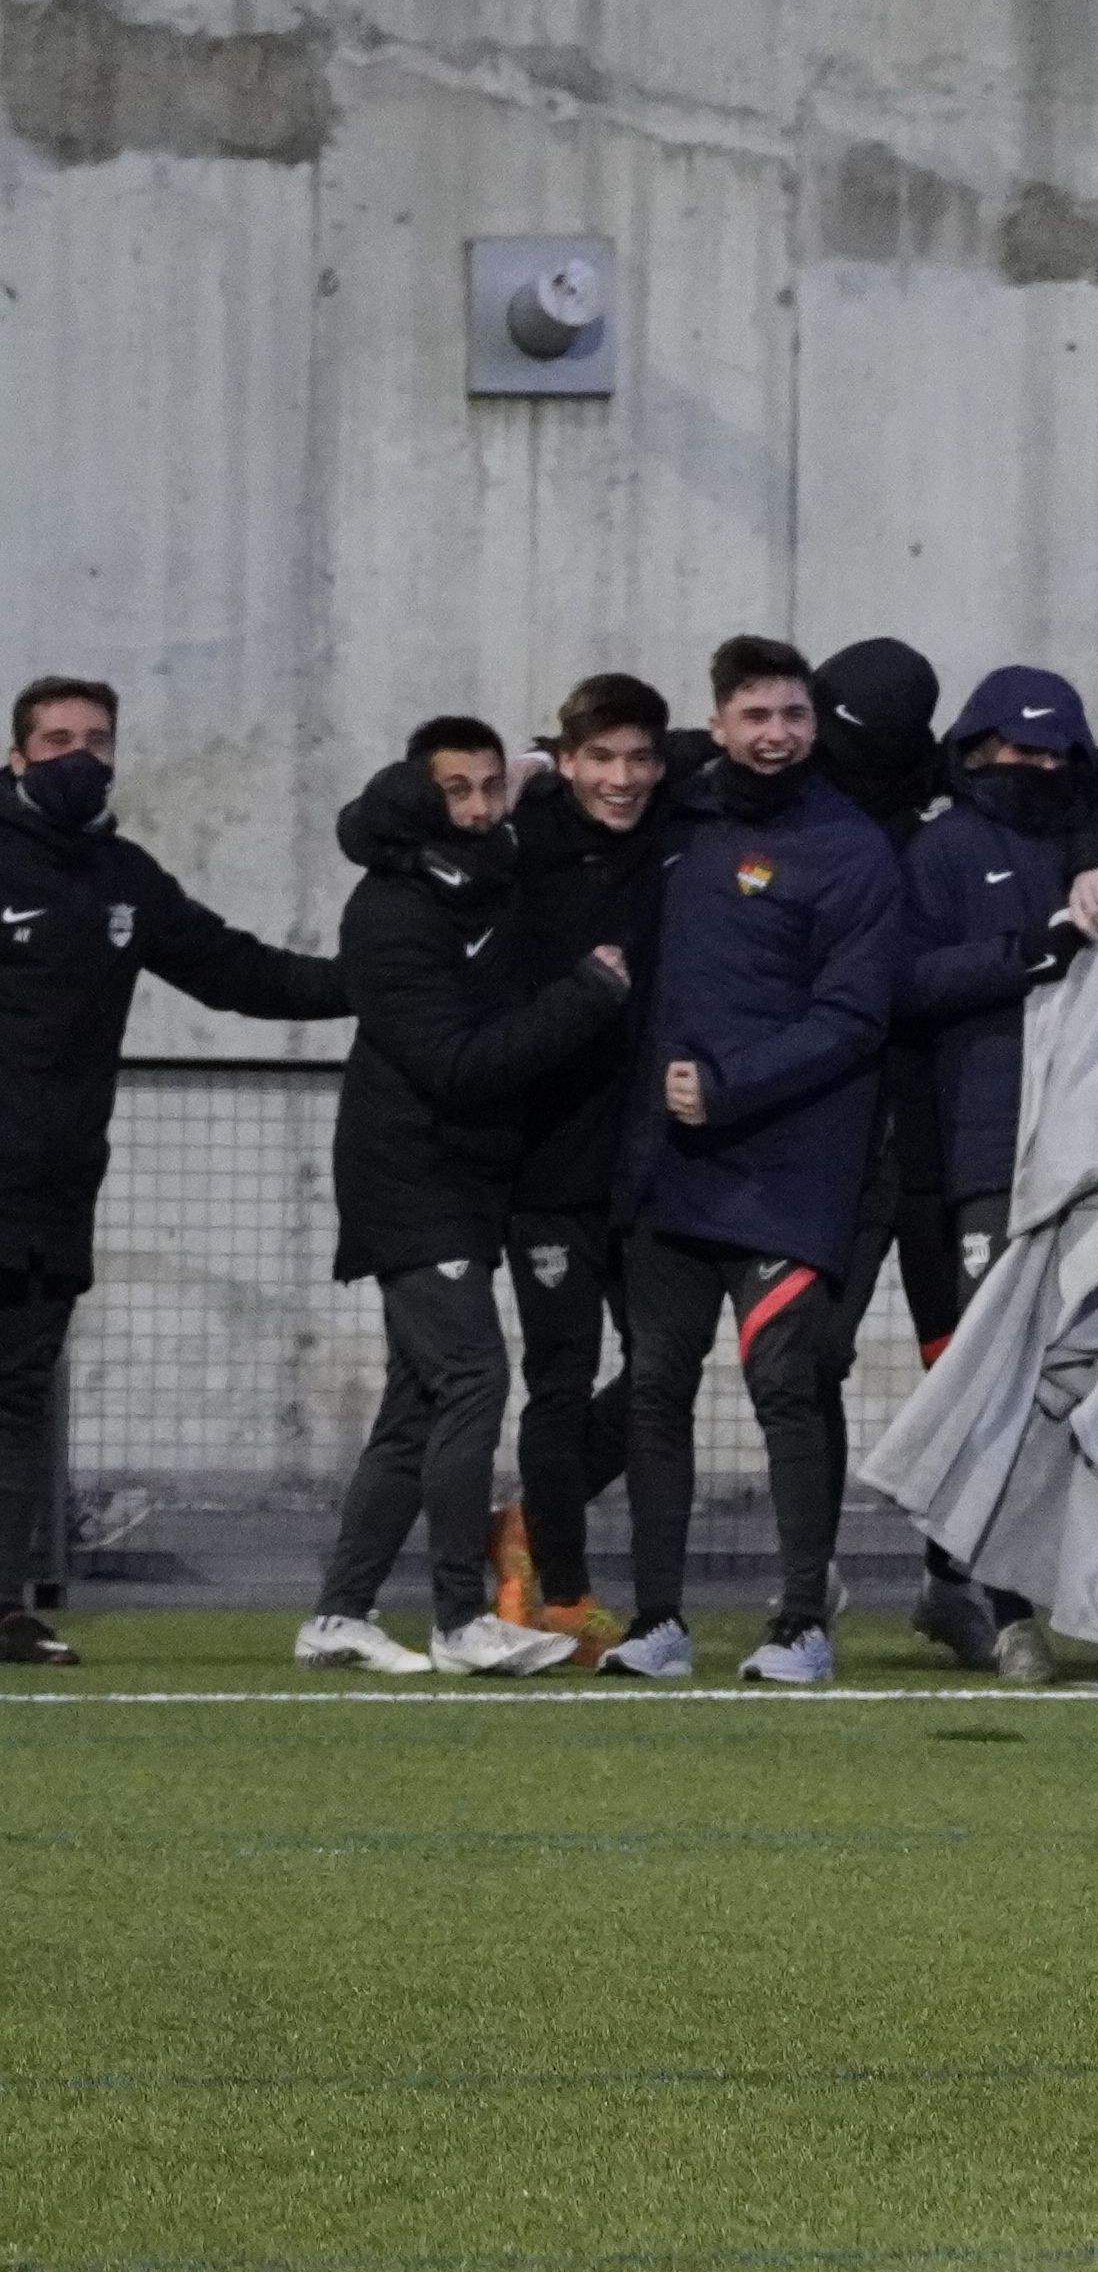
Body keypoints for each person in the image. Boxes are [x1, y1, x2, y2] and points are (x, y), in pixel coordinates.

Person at [0, 675, 348, 1664]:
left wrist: (379, 982)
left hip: (54, 1192)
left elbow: (243, 973)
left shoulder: (125, 877)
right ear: (17, 754)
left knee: (19, 1399)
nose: (78, 755)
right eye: (56, 737)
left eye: (95, 739)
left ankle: (2, 1604)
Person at [900, 664, 1098, 1683]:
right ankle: (1001, 1612)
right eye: (1015, 749)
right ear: (975, 749)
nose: (1034, 768)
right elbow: (908, 982)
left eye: (1054, 752)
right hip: (994, 1156)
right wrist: (1035, 948)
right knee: (1009, 1390)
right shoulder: (945, 847)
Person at [596, 637, 910, 1687]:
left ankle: (803, 1624)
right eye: (755, 716)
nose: (775, 735)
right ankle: (657, 1621)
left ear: (814, 725)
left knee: (786, 1382)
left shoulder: (853, 847)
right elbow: (569, 801)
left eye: (793, 716)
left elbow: (856, 1015)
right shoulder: (679, 812)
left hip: (792, 1169)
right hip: (669, 1169)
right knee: (651, 1385)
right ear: (720, 721)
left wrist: (733, 1081)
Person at [300, 718, 633, 1675]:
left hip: (460, 1179)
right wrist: (586, 995)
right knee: (474, 1377)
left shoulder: (483, 868)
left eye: (493, 787)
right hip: (411, 1180)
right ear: (417, 796)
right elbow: (457, 1066)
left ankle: (338, 1615)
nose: (481, 807)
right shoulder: (393, 911)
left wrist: (545, 759)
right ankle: (458, 1618)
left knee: (415, 1403)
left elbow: (572, 762)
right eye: (458, 790)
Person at [794, 638, 993, 1663]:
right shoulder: (786, 798)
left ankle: (953, 1576)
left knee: (956, 1357)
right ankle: (808, 1571)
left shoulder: (941, 797)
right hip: (827, 1120)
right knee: (812, 1352)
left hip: (932, 1119)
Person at [486, 673, 674, 1650]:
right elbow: (383, 816)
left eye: (640, 756)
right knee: (559, 1377)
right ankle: (558, 1587)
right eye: (599, 757)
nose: (622, 776)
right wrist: (516, 770)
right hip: (546, 1165)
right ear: (564, 762)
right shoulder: (525, 836)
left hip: (650, 1165)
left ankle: (525, 1525)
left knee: (659, 1369)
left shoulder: (679, 823)